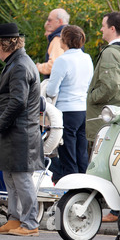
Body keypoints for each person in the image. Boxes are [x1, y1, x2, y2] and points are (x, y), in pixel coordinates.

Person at [0, 23, 44, 237]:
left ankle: (30, 224)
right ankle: (14, 219)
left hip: (20, 132)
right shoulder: (17, 62)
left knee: (21, 179)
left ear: (3, 44)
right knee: (11, 178)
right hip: (16, 132)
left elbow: (18, 102)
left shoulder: (20, 65)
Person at [86, 11, 120, 222]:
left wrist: (92, 96)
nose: (101, 29)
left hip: (111, 120)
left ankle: (115, 210)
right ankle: (118, 209)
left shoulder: (112, 53)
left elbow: (111, 85)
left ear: (112, 28)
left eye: (103, 25)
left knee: (108, 163)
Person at [46, 25, 93, 178]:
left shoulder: (62, 60)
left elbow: (51, 90)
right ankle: (84, 188)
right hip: (83, 110)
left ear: (64, 40)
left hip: (66, 111)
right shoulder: (87, 58)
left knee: (68, 155)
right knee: (81, 153)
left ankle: (70, 190)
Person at [36, 8, 70, 78]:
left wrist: (38, 67)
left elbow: (54, 66)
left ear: (60, 21)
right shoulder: (72, 35)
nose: (48, 23)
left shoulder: (58, 39)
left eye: (50, 20)